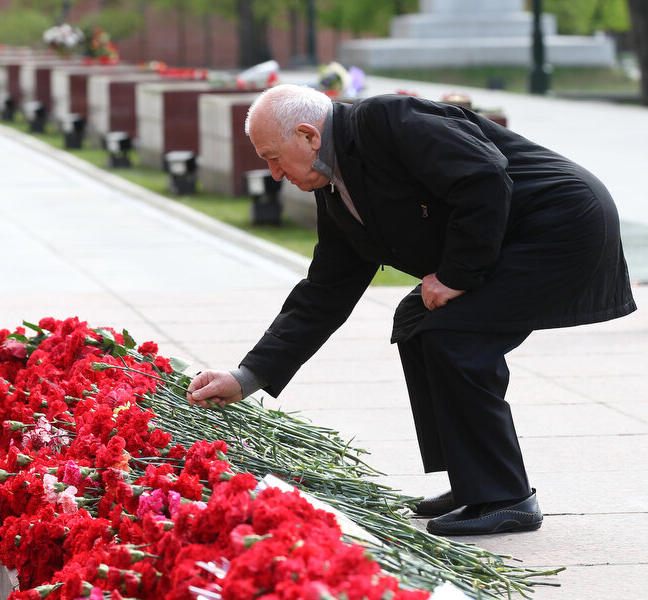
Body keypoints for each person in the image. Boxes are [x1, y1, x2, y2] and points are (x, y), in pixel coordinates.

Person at [186, 84, 637, 536]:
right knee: (417, 319)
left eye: (273, 156)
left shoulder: (386, 120)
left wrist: (457, 275)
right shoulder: (337, 190)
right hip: (516, 234)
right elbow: (323, 294)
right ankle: (473, 481)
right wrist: (246, 377)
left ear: (308, 136)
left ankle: (507, 496)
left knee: (454, 335)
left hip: (562, 223)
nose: (275, 173)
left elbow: (483, 175)